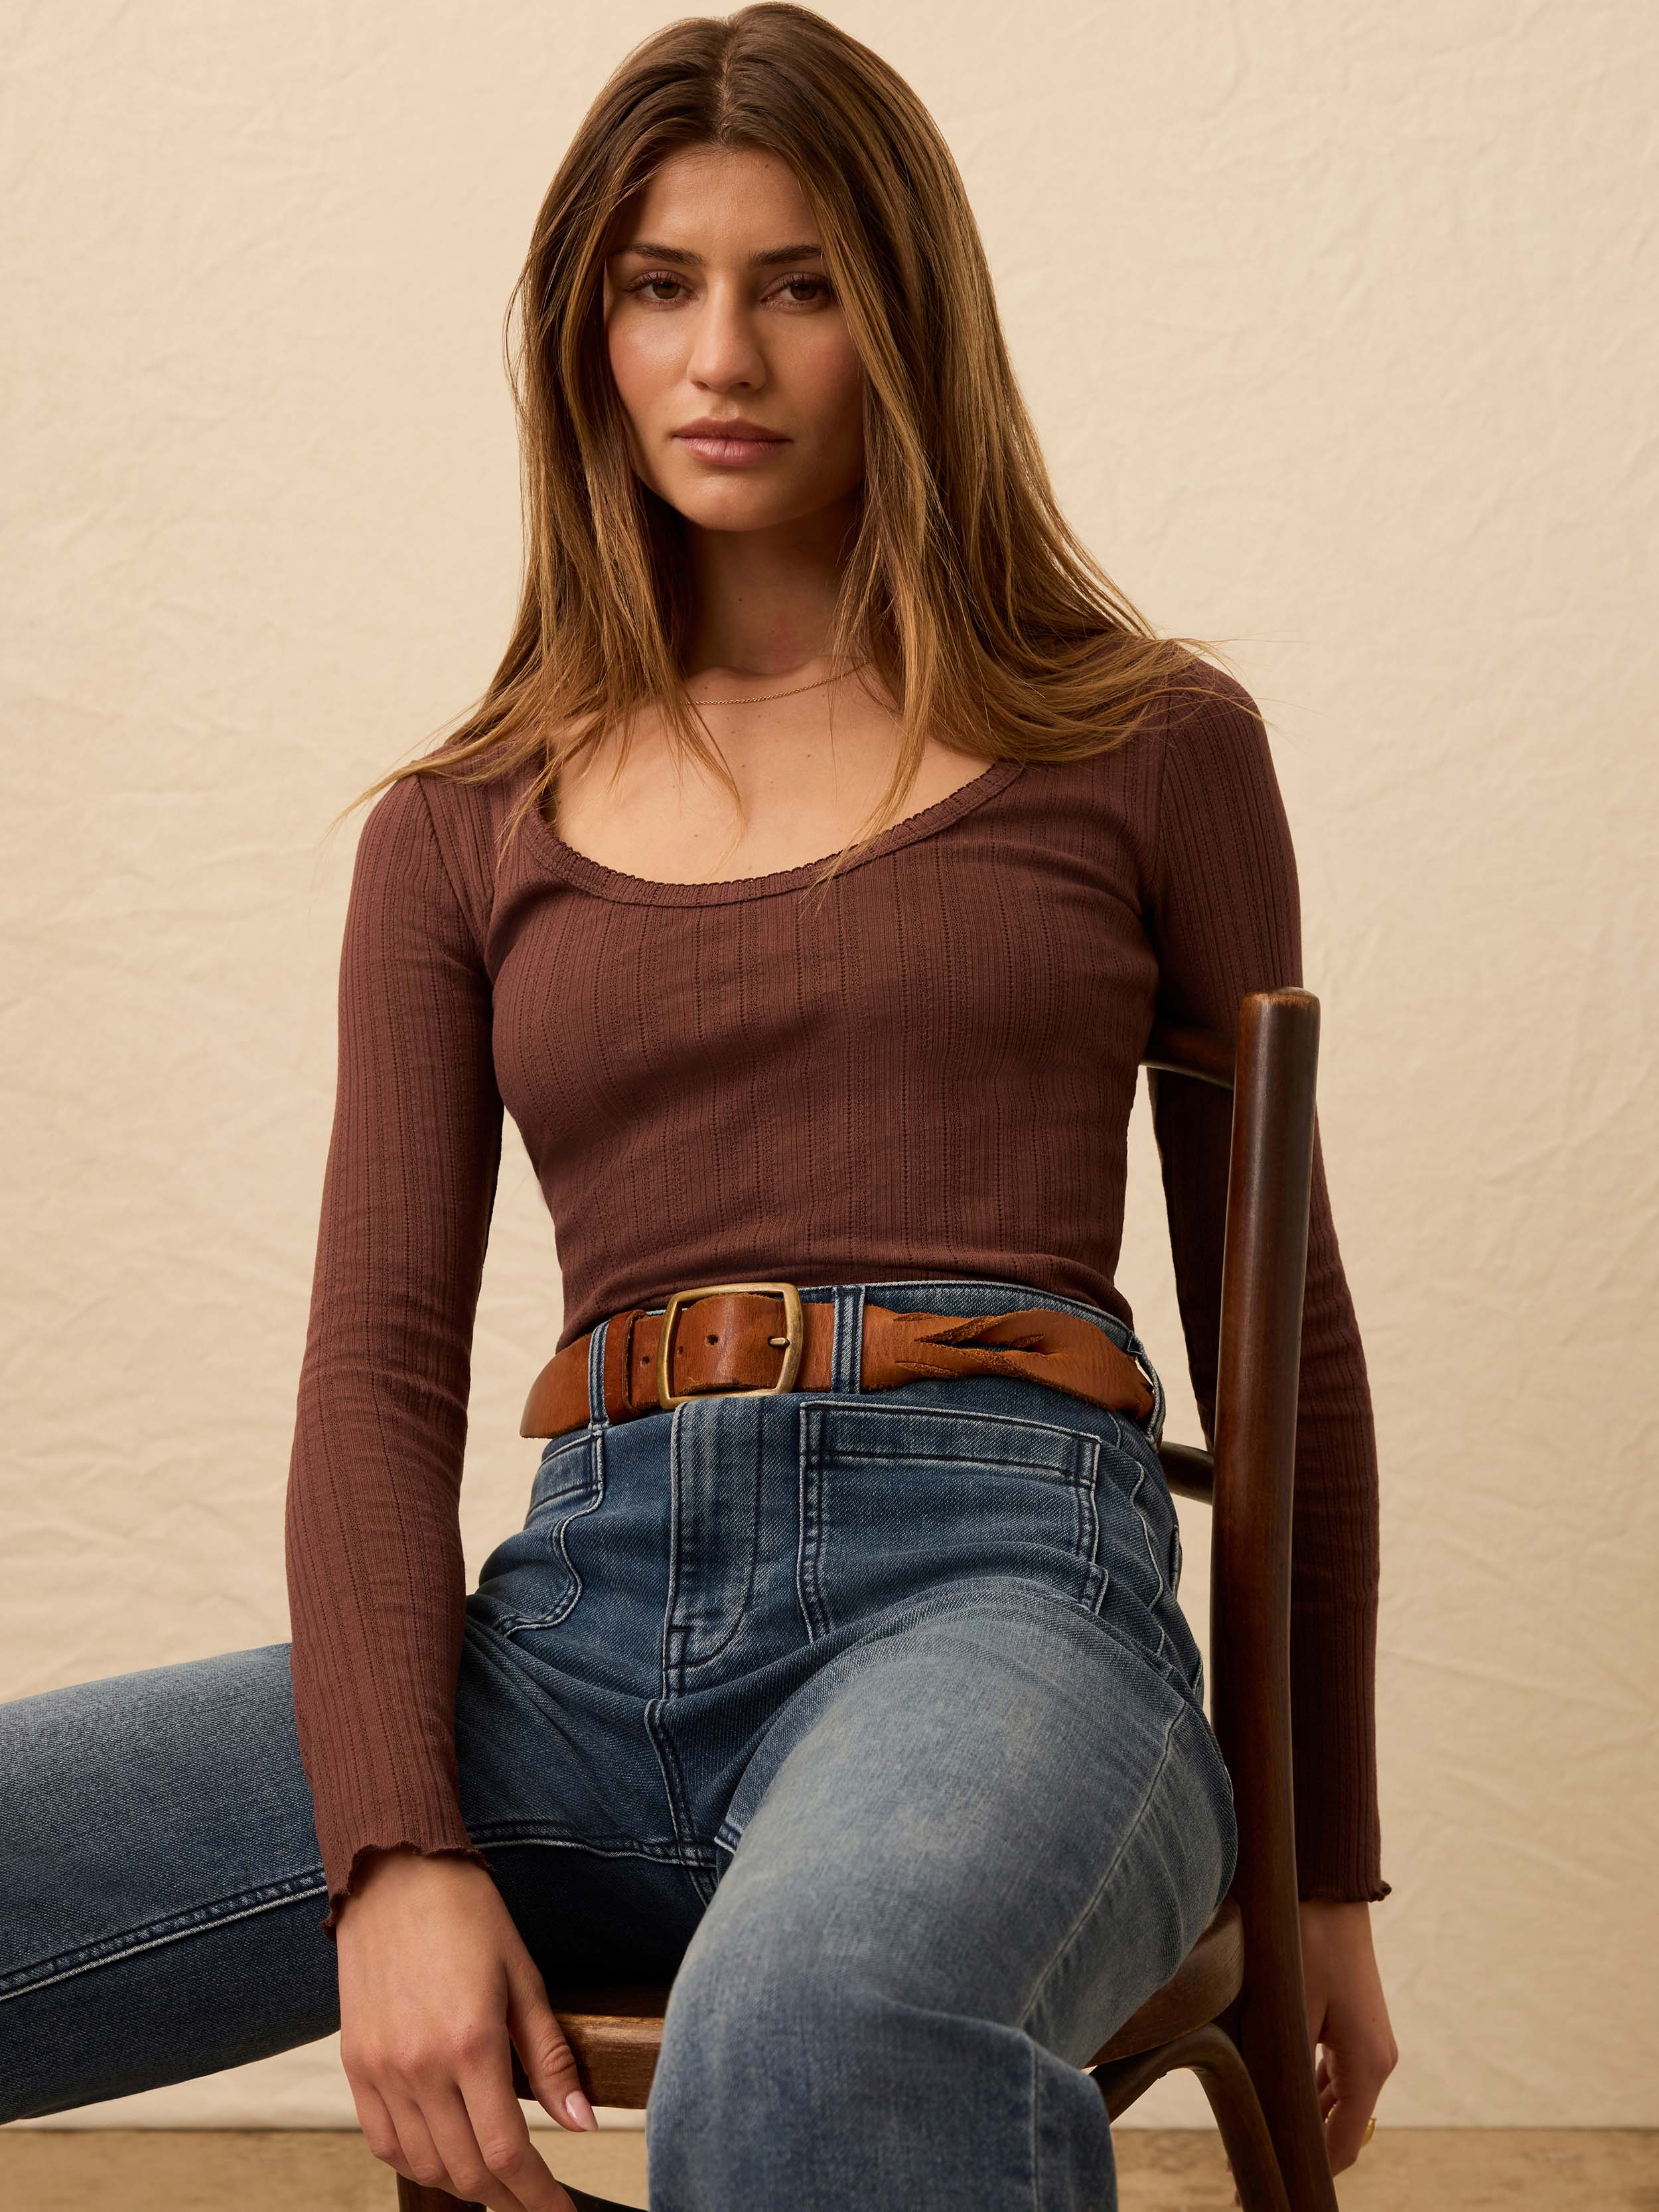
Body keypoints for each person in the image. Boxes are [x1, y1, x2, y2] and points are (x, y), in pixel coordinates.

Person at [0, 7, 1398, 2207]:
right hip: (572, 1627)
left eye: (800, 283)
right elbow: (373, 1371)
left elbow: (1281, 1332)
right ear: (588, 329)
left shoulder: (1147, 742)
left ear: (906, 319)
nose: (718, 354)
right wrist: (393, 1853)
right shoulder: (462, 826)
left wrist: (1325, 1875)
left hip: (1008, 1606)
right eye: (659, 285)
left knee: (824, 2035)